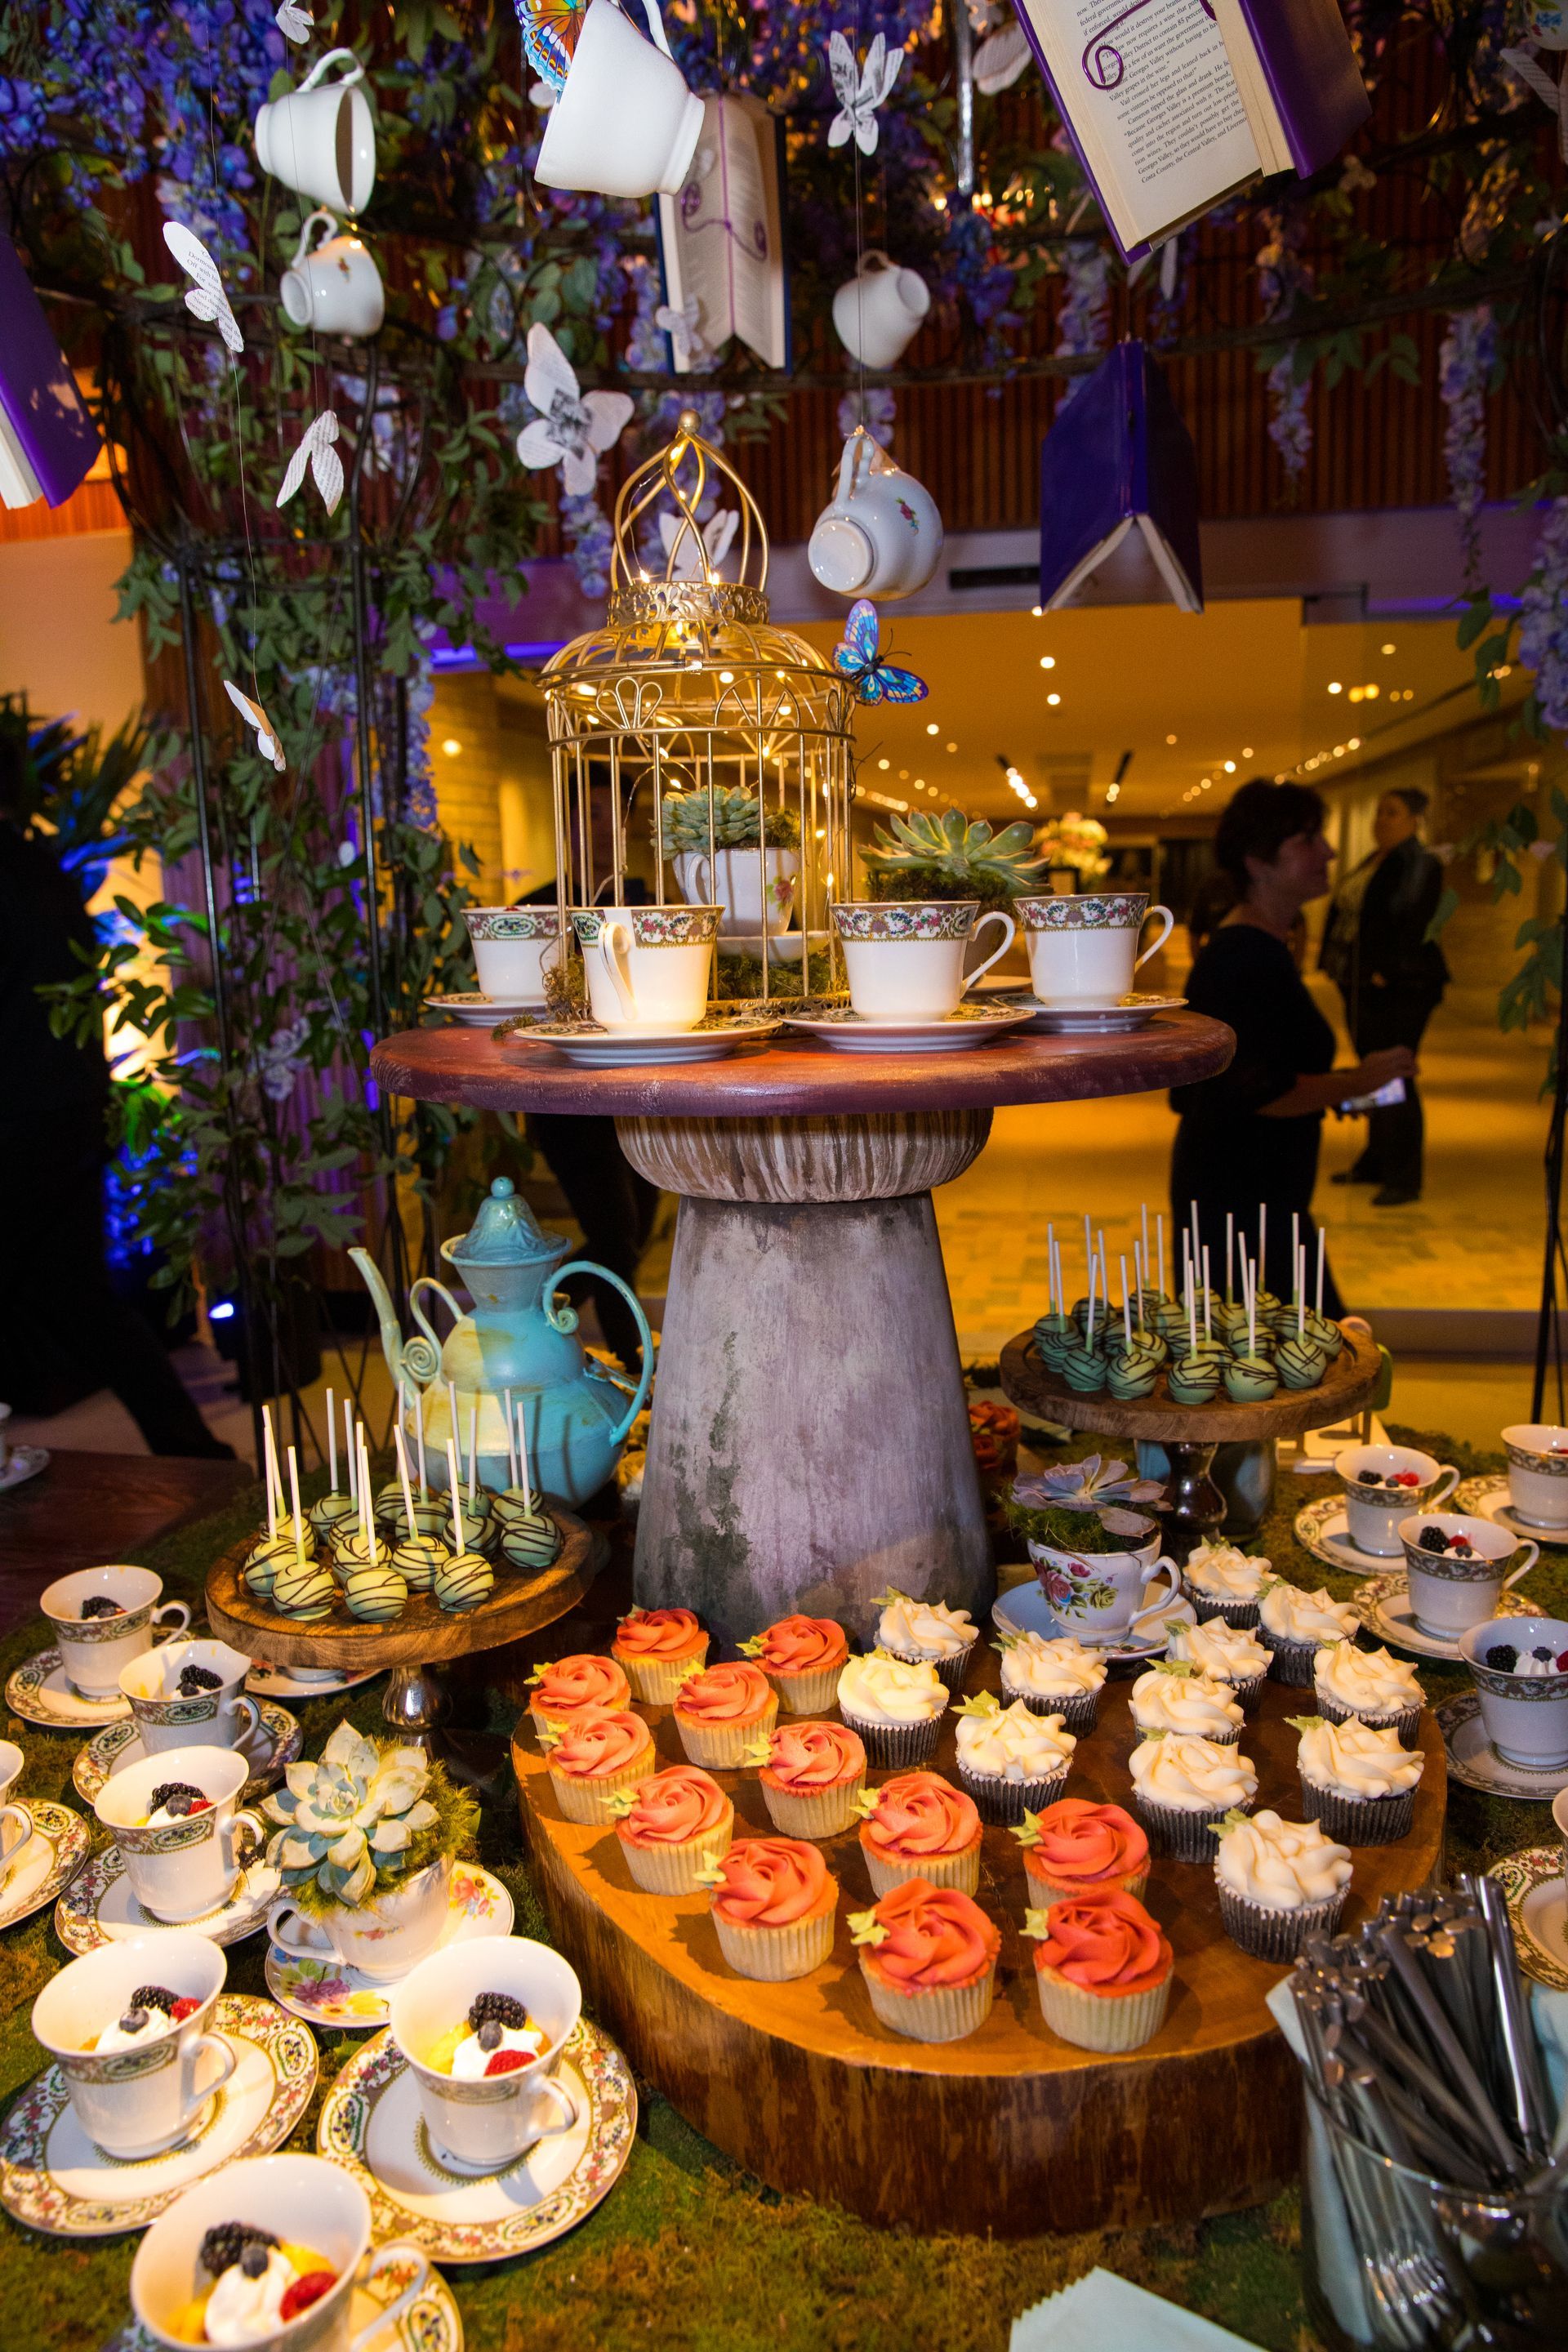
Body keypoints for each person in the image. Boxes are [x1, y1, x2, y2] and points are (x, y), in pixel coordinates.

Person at [0, 723, 234, 1457]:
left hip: (15, 1123)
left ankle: (194, 1453)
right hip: (68, 1114)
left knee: (81, 1301)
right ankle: (197, 1453)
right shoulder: (42, 869)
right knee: (84, 1301)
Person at [1169, 779, 1416, 1315]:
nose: (1328, 851)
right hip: (1240, 1202)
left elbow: (1272, 1073)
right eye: (1308, 840)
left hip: (1264, 1198)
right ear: (1258, 862)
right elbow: (1257, 1091)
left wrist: (1348, 1090)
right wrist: (1360, 1081)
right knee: (1271, 1359)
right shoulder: (1241, 957)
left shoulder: (1262, 949)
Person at [521, 772, 659, 1375]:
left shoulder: (647, 905)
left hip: (637, 1099)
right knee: (617, 1237)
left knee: (629, 1238)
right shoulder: (538, 911)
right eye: (592, 815)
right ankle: (633, 1364)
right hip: (569, 1104)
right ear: (570, 826)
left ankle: (534, 1312)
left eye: (615, 816)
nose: (605, 831)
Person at [1319, 786, 1448, 1205]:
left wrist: (1382, 972)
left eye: (1391, 813)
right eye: (1379, 812)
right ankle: (1376, 1160)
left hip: (1400, 986)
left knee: (1395, 1073)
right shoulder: (1375, 860)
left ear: (1415, 822)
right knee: (1374, 1071)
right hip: (1360, 982)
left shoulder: (1419, 862)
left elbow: (1411, 920)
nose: (1380, 821)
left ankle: (1404, 1176)